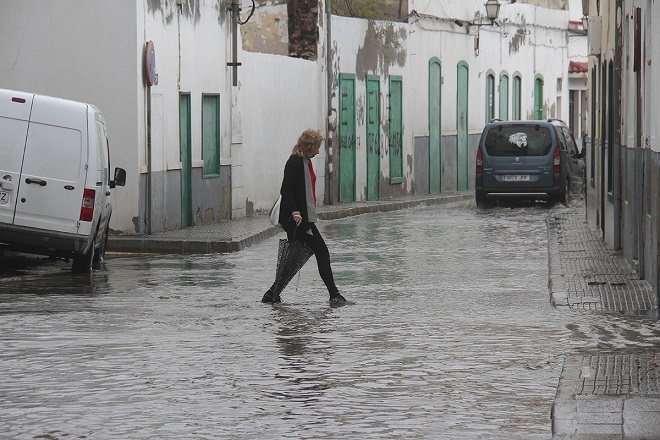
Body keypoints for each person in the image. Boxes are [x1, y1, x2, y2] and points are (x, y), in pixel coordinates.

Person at [261, 129, 347, 306]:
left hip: (304, 219)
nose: (318, 151)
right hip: (298, 220)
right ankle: (334, 295)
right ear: (308, 145)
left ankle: (271, 294)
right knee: (321, 252)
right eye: (316, 147)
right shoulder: (294, 162)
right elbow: (286, 190)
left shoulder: (306, 162)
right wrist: (295, 211)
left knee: (294, 259)